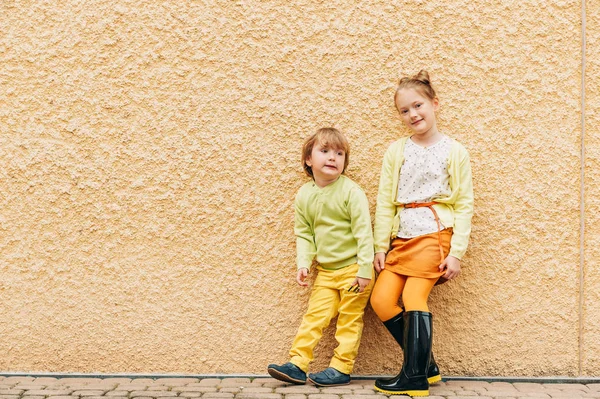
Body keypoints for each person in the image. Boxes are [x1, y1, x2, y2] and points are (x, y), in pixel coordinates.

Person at [370, 70, 474, 397]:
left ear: (434, 104)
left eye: (418, 105)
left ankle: (414, 377)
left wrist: (456, 253)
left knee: (413, 297)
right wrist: (379, 246)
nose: (413, 114)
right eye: (404, 110)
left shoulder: (454, 151)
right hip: (402, 237)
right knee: (382, 300)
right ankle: (426, 366)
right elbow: (385, 200)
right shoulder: (396, 151)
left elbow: (465, 204)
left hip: (435, 234)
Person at [267, 127, 375, 387]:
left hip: (353, 270)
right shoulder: (304, 195)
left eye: (339, 153)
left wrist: (365, 270)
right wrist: (303, 264)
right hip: (326, 272)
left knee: (349, 320)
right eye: (324, 151)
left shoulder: (351, 192)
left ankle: (341, 367)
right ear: (308, 159)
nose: (332, 158)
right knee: (315, 316)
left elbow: (364, 233)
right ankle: (297, 364)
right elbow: (304, 234)